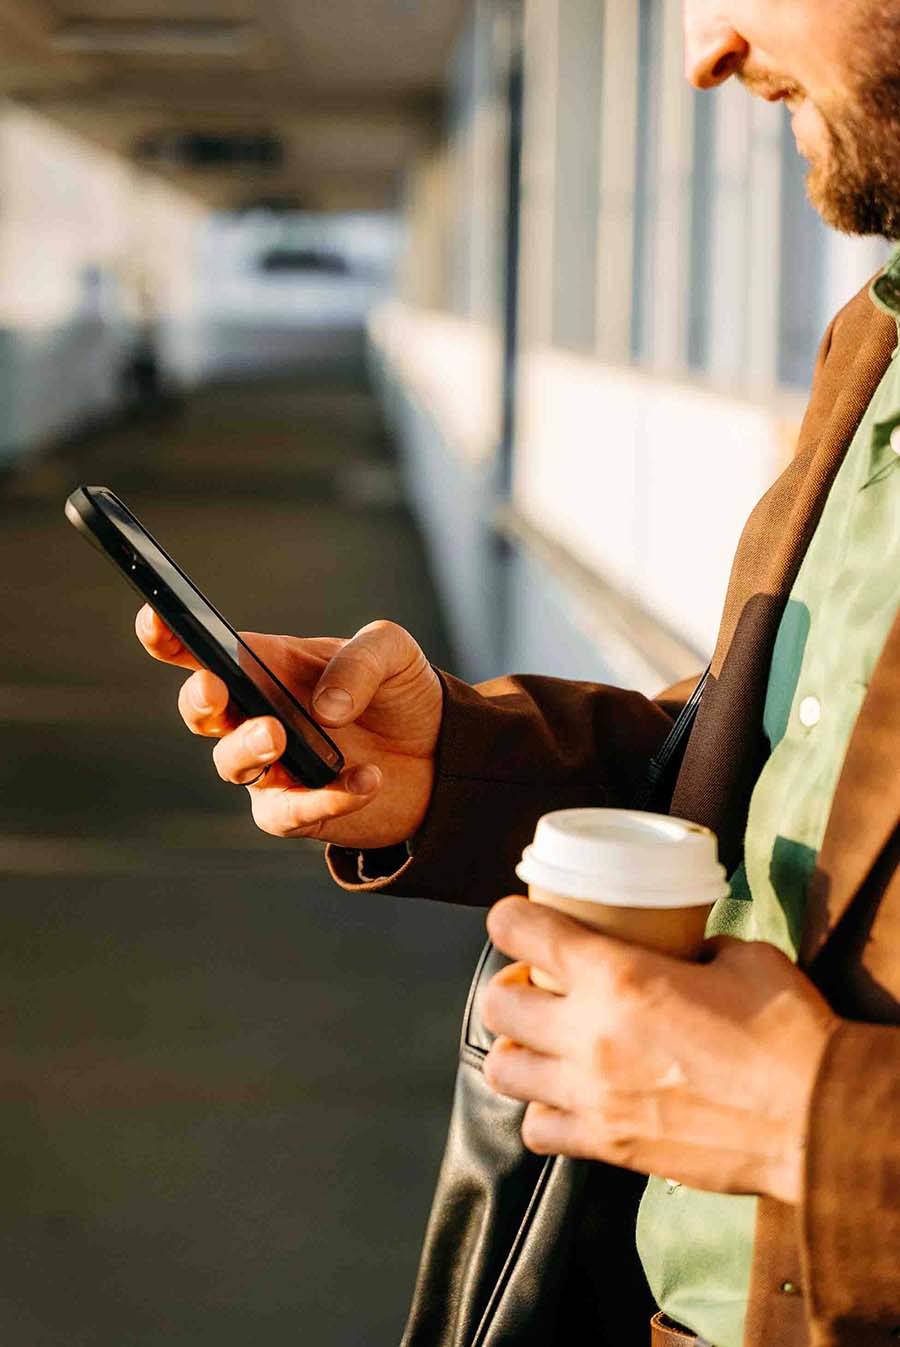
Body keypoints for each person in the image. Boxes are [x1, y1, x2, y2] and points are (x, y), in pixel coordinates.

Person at [135, 1, 900, 1343]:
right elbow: (793, 754)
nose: (702, 52)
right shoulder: (876, 339)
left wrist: (818, 1126)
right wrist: (450, 768)